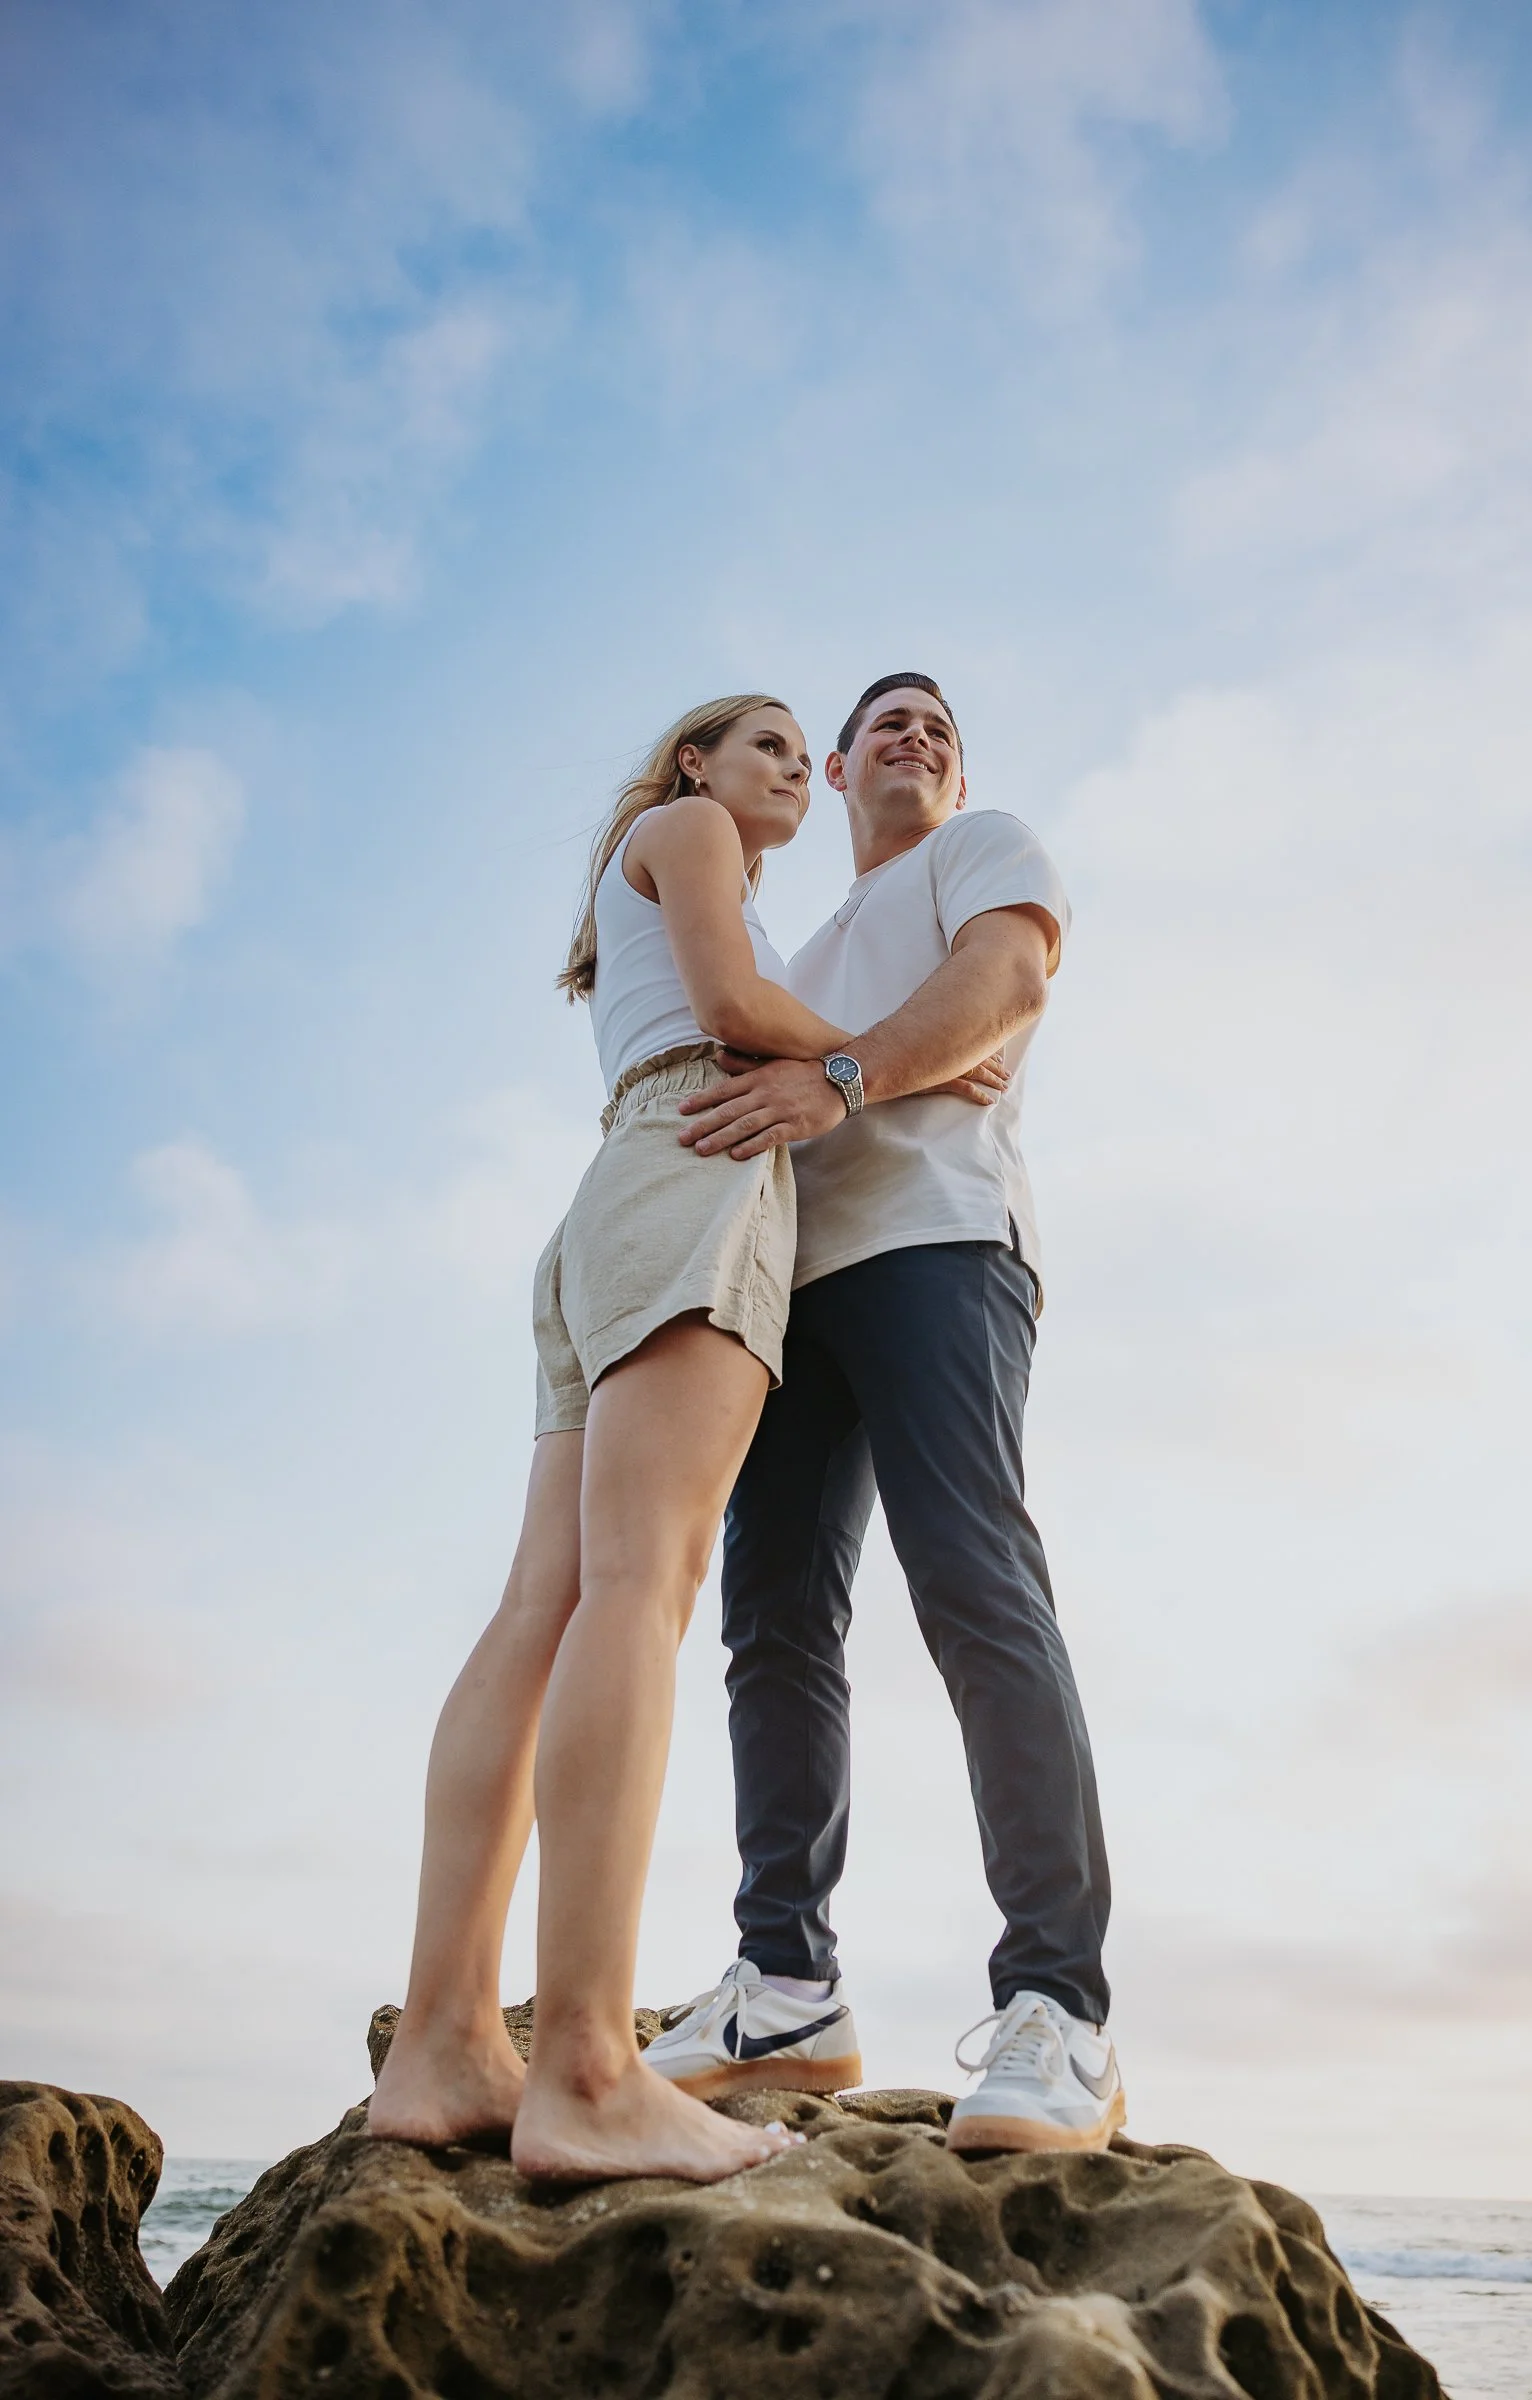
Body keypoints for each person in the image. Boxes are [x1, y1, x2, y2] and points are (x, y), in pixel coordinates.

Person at [368, 691, 1004, 2184]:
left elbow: (710, 992)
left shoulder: (664, 863)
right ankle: (587, 2062)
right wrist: (891, 1057)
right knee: (641, 1592)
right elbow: (733, 1005)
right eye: (768, 743)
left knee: (548, 1604)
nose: (793, 767)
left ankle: (448, 2043)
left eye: (803, 751)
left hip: (613, 1193)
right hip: (692, 1168)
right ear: (693, 765)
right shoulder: (697, 833)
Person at [643, 673, 1124, 2154]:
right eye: (885, 727)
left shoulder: (982, 853)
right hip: (791, 1280)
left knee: (977, 1589)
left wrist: (844, 1071)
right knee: (771, 1622)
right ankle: (787, 1982)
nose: (913, 739)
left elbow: (1005, 988)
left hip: (940, 1247)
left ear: (956, 771)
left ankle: (1061, 2009)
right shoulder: (805, 938)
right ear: (836, 770)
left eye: (940, 727)